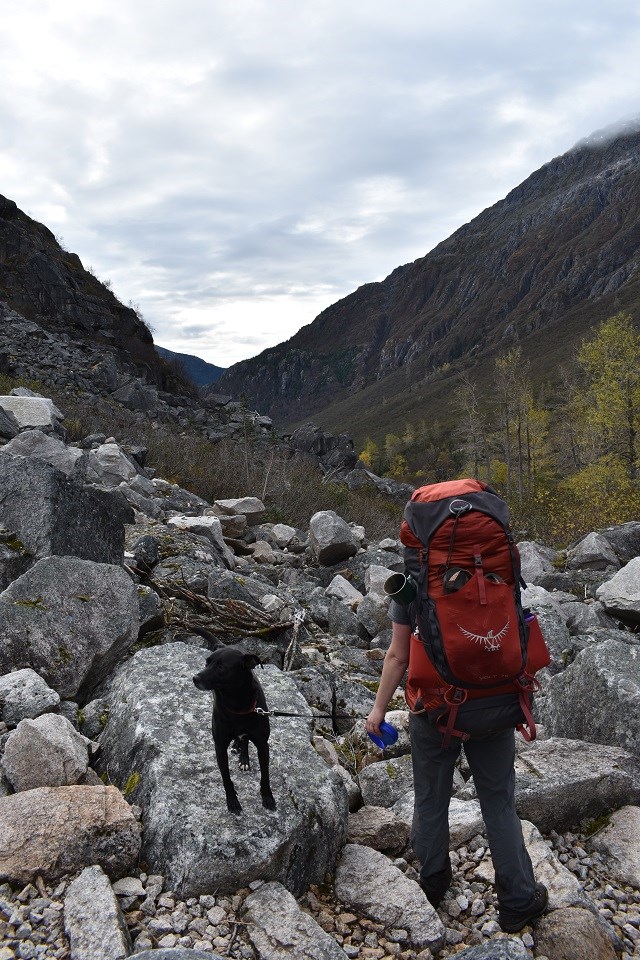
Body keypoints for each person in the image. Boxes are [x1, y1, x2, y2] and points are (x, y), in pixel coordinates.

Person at [366, 564, 548, 934]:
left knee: (431, 798)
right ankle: (517, 900)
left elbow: (399, 656)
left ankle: (433, 882)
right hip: (495, 707)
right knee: (498, 803)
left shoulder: (413, 583)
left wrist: (379, 708)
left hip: (435, 710)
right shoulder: (499, 574)